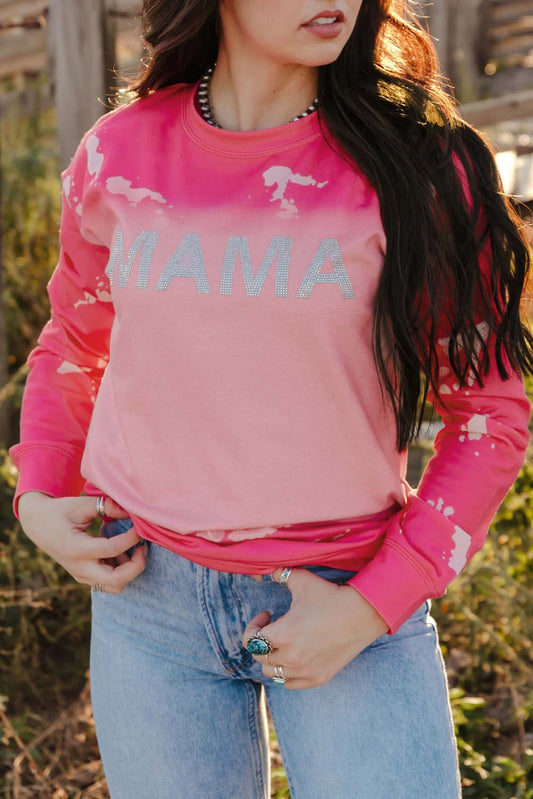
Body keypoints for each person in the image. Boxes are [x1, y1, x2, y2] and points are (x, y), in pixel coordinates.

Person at [10, 0, 532, 797]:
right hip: (148, 599)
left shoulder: (419, 166)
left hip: (348, 594)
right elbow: (75, 340)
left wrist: (374, 604)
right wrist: (39, 493)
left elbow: (489, 414)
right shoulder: (118, 152)